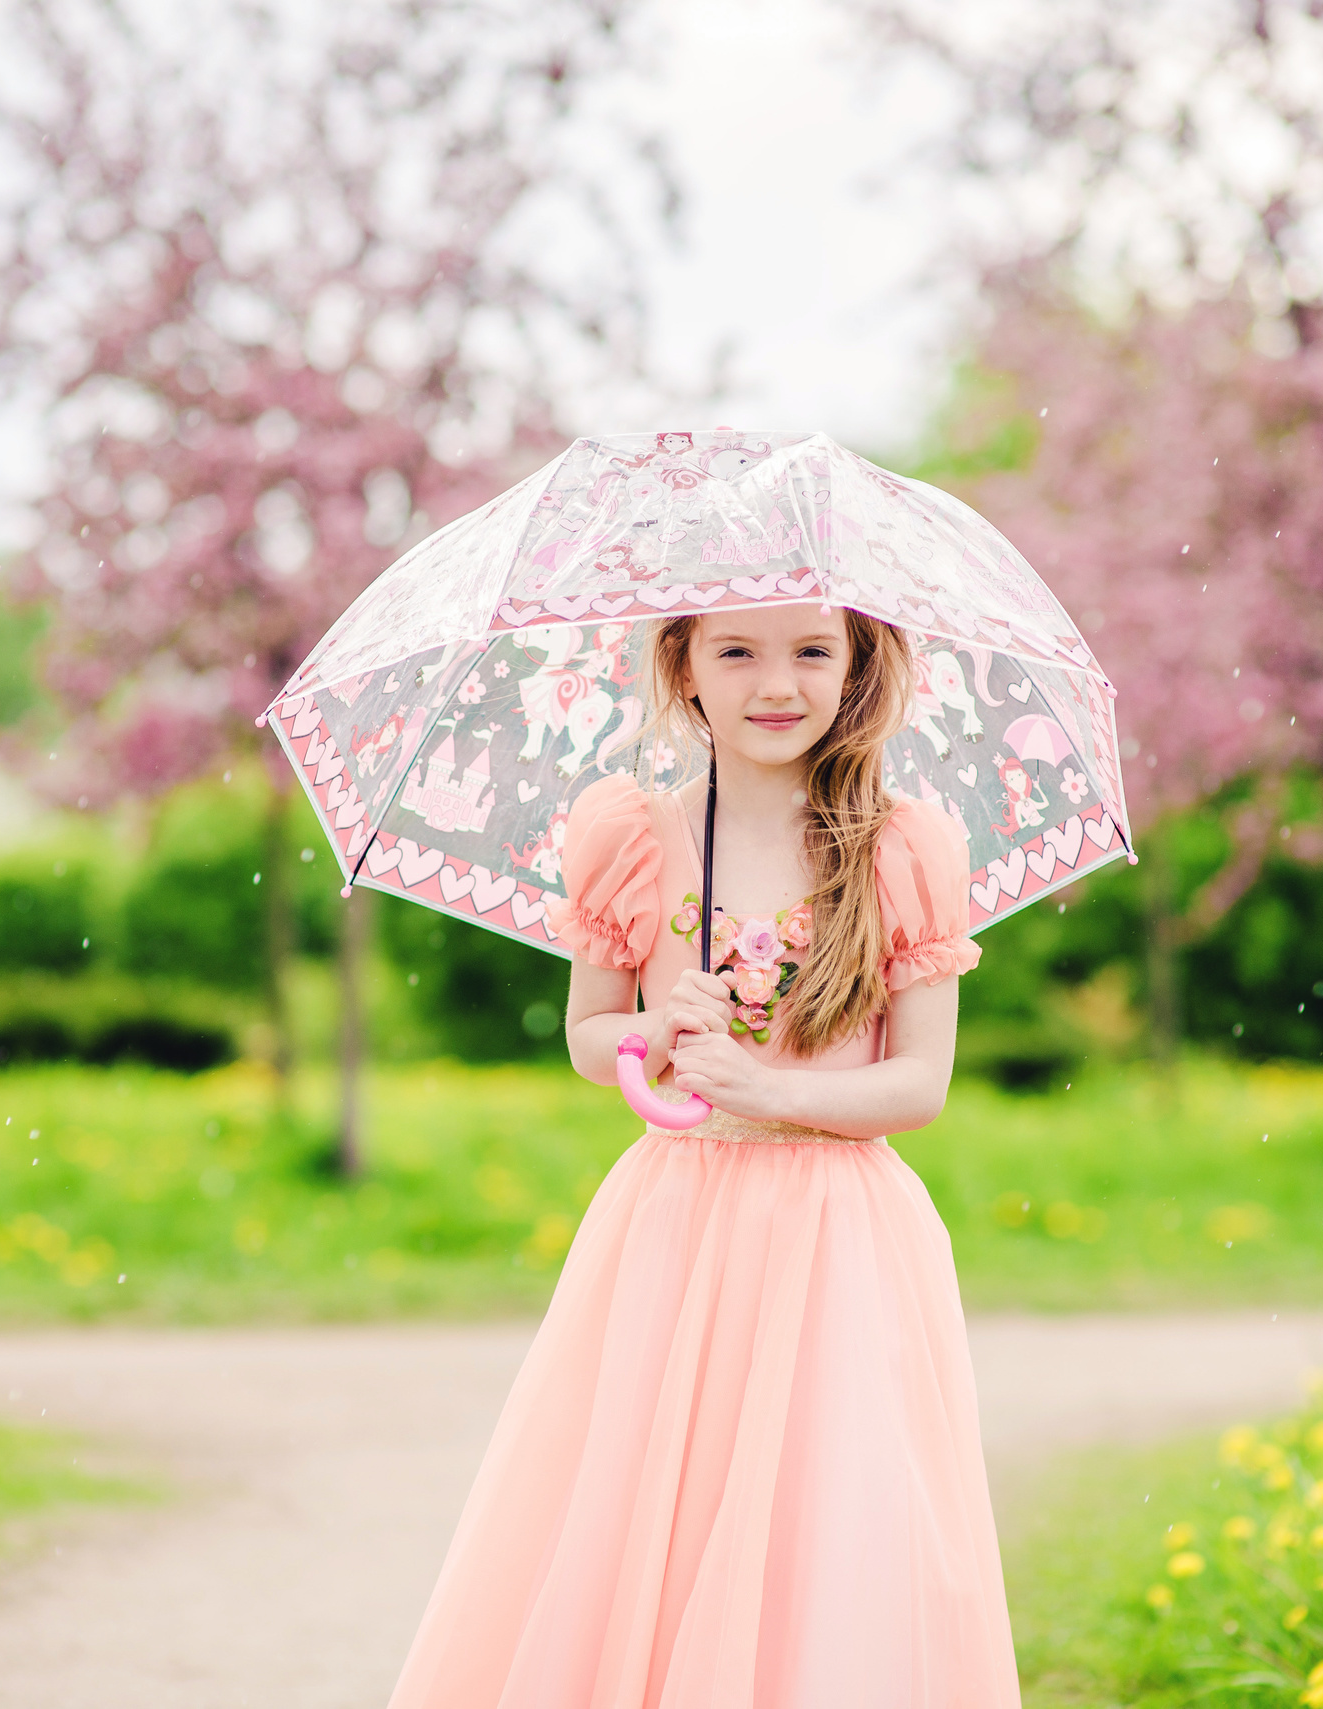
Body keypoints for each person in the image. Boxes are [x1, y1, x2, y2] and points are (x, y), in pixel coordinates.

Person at [384, 602, 1019, 1708]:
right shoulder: (634, 834)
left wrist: (773, 1087)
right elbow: (590, 1035)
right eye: (737, 650)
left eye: (813, 650)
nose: (777, 681)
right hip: (676, 1219)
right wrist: (655, 1033)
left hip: (837, 1229)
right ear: (681, 665)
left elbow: (919, 1082)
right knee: (647, 1497)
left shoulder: (901, 846)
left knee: (825, 1505)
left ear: (858, 664)